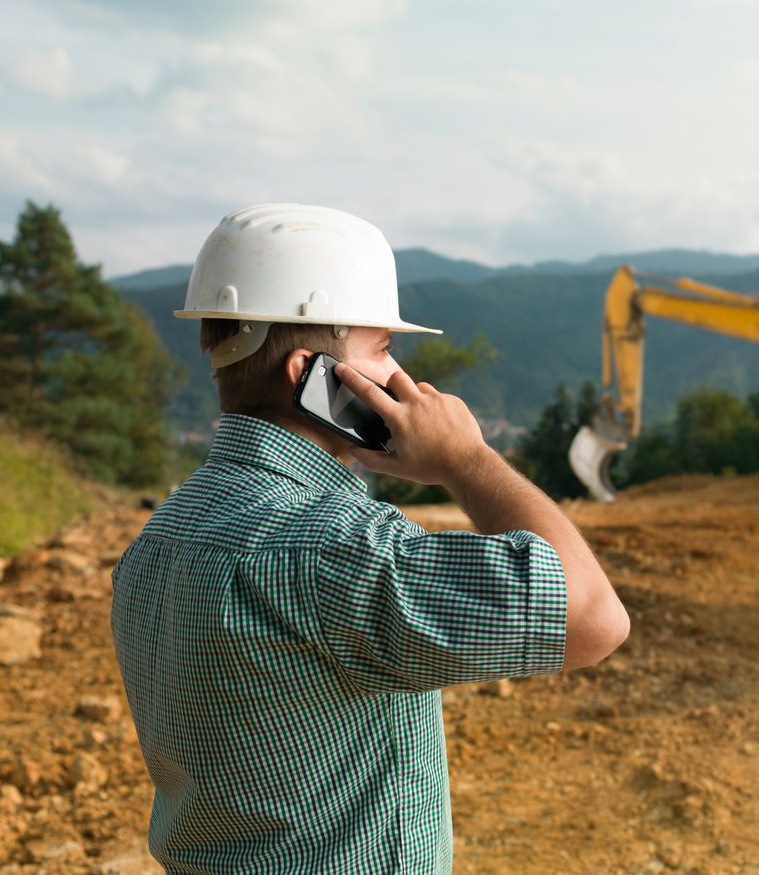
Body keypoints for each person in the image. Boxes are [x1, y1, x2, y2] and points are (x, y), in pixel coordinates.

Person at [110, 203, 629, 873]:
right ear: (310, 378)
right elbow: (592, 617)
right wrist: (465, 460)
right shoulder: (334, 551)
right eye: (381, 350)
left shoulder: (157, 541)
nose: (399, 377)